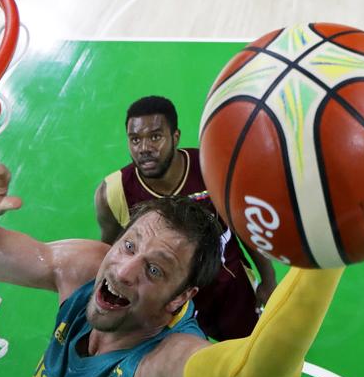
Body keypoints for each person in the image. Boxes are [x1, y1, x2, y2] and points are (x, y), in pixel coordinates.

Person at [0, 158, 344, 377]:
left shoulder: (166, 367)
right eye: (130, 246)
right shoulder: (85, 269)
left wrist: (328, 254)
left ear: (179, 298)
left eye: (155, 270)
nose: (122, 270)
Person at [94, 95, 277, 340]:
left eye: (155, 137)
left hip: (231, 290)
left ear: (176, 137)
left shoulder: (212, 167)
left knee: (248, 353)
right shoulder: (114, 193)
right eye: (135, 139)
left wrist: (268, 280)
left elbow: (244, 228)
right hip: (167, 306)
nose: (144, 148)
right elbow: (108, 251)